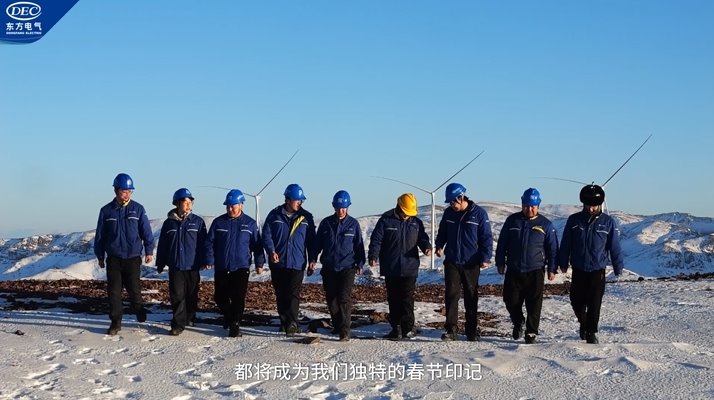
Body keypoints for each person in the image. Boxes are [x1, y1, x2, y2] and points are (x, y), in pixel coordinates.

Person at [558, 184, 624, 344]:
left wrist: (618, 266)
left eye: (594, 205)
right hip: (579, 267)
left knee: (594, 302)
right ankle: (584, 323)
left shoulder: (608, 222)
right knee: (576, 300)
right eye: (588, 205)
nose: (591, 208)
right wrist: (563, 261)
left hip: (597, 269)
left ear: (600, 204)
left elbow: (614, 246)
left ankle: (591, 332)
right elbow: (566, 242)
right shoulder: (574, 220)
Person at [94, 173, 155, 335]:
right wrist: (100, 255)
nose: (127, 194)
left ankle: (138, 308)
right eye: (124, 191)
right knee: (114, 292)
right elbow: (100, 235)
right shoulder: (106, 211)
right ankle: (116, 322)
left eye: (129, 191)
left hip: (133, 258)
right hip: (114, 258)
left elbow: (146, 231)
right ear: (116, 190)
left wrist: (149, 250)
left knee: (134, 289)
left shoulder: (138, 209)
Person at [495, 188, 558, 344]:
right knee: (510, 300)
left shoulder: (546, 225)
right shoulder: (512, 221)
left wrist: (552, 268)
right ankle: (518, 322)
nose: (529, 209)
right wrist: (500, 262)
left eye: (532, 206)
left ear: (538, 206)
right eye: (526, 206)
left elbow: (553, 249)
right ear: (522, 204)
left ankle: (531, 332)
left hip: (535, 270)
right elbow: (502, 243)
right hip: (514, 269)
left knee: (534, 304)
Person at [368, 193, 432, 340]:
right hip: (391, 267)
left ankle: (408, 328)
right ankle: (396, 328)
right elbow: (376, 240)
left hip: (410, 267)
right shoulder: (386, 220)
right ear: (399, 207)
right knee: (394, 298)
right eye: (405, 212)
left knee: (407, 298)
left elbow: (422, 238)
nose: (407, 216)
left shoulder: (416, 222)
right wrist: (373, 256)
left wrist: (426, 247)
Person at [435, 182, 493, 342]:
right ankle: (451, 329)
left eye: (452, 201)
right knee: (451, 295)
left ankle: (471, 330)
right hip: (452, 261)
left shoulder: (479, 214)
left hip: (471, 263)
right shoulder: (448, 213)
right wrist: (439, 245)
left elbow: (486, 237)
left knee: (471, 296)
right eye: (449, 202)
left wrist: (486, 257)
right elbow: (442, 232)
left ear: (461, 198)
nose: (451, 205)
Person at [204, 189, 265, 338]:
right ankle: (229, 316)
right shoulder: (218, 222)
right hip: (222, 266)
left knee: (238, 298)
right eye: (228, 206)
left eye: (233, 206)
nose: (230, 209)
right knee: (220, 297)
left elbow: (257, 246)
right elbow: (209, 242)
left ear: (241, 205)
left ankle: (235, 324)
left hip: (241, 266)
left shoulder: (250, 224)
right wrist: (209, 259)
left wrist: (259, 263)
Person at [262, 183, 317, 336]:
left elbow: (312, 241)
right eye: (297, 200)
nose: (300, 203)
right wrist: (271, 251)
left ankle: (292, 323)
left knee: (293, 294)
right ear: (287, 200)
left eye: (301, 200)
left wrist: (312, 259)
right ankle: (284, 322)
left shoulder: (306, 217)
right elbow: (266, 235)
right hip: (278, 263)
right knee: (281, 294)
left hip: (297, 262)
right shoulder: (274, 215)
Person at [313, 190, 366, 341]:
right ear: (333, 207)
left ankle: (345, 330)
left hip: (347, 267)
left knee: (344, 298)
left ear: (348, 207)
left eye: (343, 208)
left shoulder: (353, 224)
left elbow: (359, 245)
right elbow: (317, 244)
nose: (341, 211)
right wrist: (312, 259)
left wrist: (360, 262)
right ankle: (337, 325)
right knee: (332, 299)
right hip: (329, 267)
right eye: (338, 208)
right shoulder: (326, 223)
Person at [155, 188, 207, 336]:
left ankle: (190, 317)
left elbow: (204, 244)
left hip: (192, 265)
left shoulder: (198, 222)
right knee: (177, 295)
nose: (189, 205)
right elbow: (163, 244)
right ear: (177, 203)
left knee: (191, 294)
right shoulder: (169, 224)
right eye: (185, 202)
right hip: (175, 265)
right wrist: (160, 262)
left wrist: (206, 259)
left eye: (191, 202)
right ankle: (178, 324)